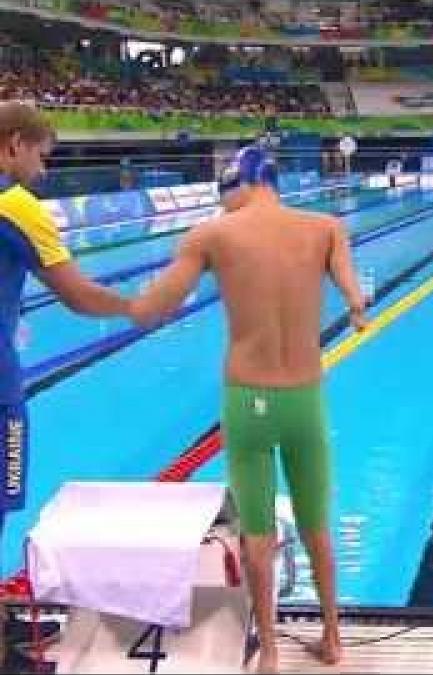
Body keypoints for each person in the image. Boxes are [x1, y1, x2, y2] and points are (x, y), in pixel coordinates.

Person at [129, 146, 367, 674]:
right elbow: (351, 284)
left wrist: (108, 300)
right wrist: (354, 305)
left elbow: (153, 306)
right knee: (317, 526)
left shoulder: (213, 234)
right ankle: (333, 639)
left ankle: (273, 654)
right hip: (304, 397)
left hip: (248, 400)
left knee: (257, 533)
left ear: (239, 183)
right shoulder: (325, 226)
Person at [0, 101, 131, 663]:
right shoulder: (16, 205)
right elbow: (78, 295)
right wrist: (142, 304)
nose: (43, 170)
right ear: (13, 144)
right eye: (40, 155)